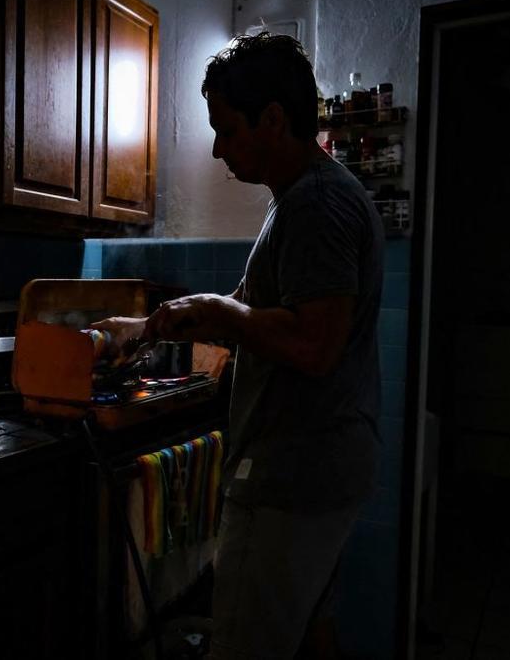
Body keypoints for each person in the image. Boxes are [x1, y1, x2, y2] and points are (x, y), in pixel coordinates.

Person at [92, 33, 383, 659]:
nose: (219, 148)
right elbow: (256, 320)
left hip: (294, 473)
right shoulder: (302, 200)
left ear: (273, 118)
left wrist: (218, 308)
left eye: (225, 128)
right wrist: (142, 329)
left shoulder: (317, 204)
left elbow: (314, 343)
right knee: (307, 634)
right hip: (324, 465)